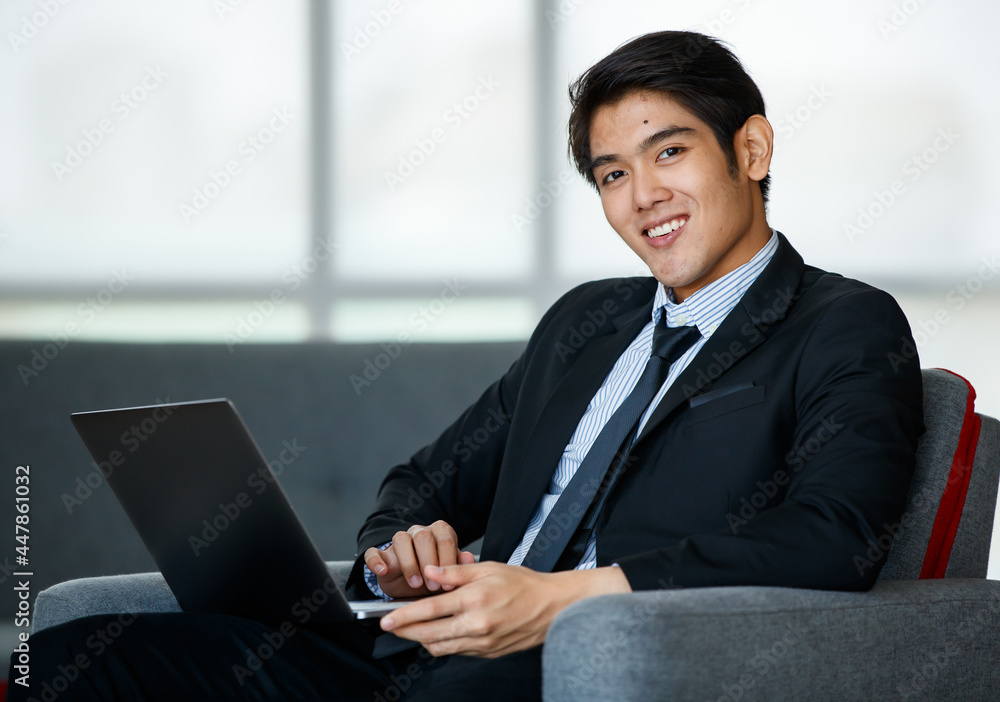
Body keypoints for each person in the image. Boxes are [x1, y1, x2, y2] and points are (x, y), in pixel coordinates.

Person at [10, 30, 923, 701]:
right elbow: (424, 481)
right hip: (412, 650)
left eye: (669, 152)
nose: (644, 197)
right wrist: (399, 549)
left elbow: (835, 534)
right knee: (69, 661)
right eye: (611, 174)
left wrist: (563, 602)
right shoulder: (585, 323)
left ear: (751, 150)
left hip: (572, 666)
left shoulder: (843, 325)